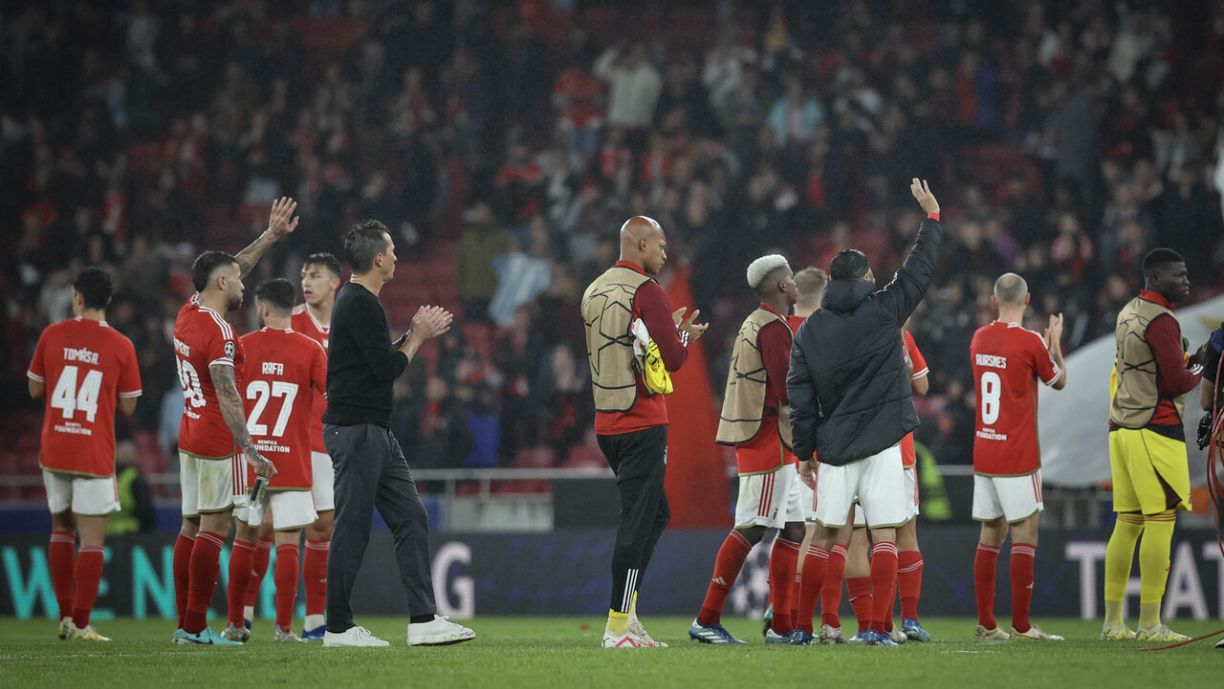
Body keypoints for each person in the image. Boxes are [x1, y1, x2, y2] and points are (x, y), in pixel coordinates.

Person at [788, 178, 943, 648]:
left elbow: (800, 395)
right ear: (865, 280)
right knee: (885, 537)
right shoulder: (884, 312)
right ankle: (877, 629)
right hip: (883, 447)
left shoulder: (810, 331)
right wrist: (931, 219)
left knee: (824, 536)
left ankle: (800, 627)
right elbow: (918, 272)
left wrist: (805, 453)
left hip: (833, 449)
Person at [323, 220, 474, 648]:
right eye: (391, 250)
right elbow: (387, 370)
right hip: (357, 431)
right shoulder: (359, 302)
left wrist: (410, 334)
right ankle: (337, 627)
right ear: (377, 259)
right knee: (351, 528)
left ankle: (423, 620)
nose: (396, 257)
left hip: (375, 431)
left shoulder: (359, 302)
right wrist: (419, 337)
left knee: (411, 517)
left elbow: (377, 360)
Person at [171, 197, 298, 646]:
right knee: (214, 527)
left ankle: (184, 624)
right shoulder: (220, 332)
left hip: (188, 431)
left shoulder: (189, 312)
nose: (244, 282)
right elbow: (227, 393)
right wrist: (249, 447)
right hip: (215, 437)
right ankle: (193, 626)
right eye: (237, 279)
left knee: (189, 525)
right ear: (223, 283)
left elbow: (231, 265)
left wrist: (269, 236)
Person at [581, 215, 707, 649]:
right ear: (639, 243)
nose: (665, 252)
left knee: (655, 514)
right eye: (659, 244)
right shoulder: (646, 290)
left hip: (606, 421)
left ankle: (628, 614)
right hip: (641, 421)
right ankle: (618, 626)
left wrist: (661, 332)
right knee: (638, 522)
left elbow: (623, 346)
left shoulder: (594, 288)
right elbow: (670, 359)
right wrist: (683, 337)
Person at [690, 255, 803, 645]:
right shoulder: (771, 327)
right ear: (779, 286)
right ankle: (707, 617)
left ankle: (783, 626)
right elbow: (788, 389)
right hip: (768, 440)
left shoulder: (758, 323)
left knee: (794, 528)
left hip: (775, 440)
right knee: (753, 526)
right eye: (789, 276)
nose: (794, 281)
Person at [27, 267, 142, 641]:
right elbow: (128, 408)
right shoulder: (122, 345)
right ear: (107, 300)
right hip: (93, 450)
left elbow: (33, 390)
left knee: (61, 529)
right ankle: (80, 622)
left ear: (77, 298)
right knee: (92, 540)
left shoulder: (52, 335)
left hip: (56, 446)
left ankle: (64, 617)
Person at [232, 252, 340, 640]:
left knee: (322, 527)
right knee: (265, 527)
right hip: (292, 439)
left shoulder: (347, 324)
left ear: (335, 282)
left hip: (327, 442)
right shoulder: (289, 322)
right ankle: (245, 612)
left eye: (316, 275)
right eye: (304, 275)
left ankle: (313, 620)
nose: (307, 282)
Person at [1102, 249, 1202, 642]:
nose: (1187, 280)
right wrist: (1203, 370)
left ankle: (1113, 623)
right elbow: (1177, 383)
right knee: (1161, 521)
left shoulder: (1129, 310)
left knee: (1127, 524)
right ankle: (1150, 624)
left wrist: (1188, 360)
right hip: (1154, 427)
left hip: (1121, 427)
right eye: (1179, 274)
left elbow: (1154, 365)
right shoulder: (1162, 320)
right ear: (1157, 278)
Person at [970, 273, 1067, 642]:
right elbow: (1059, 380)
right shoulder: (1030, 342)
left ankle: (986, 623)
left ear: (994, 300)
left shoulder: (978, 338)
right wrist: (1055, 344)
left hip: (985, 449)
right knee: (1025, 535)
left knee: (990, 535)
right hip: (1018, 454)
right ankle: (1022, 626)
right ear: (1027, 298)